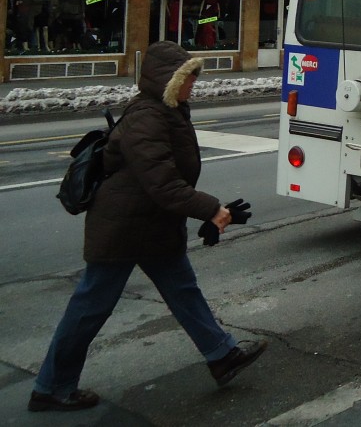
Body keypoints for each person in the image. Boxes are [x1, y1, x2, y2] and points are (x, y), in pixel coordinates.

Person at [28, 41, 266, 412]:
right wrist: (211, 210)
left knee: (183, 290)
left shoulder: (167, 111)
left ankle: (221, 355)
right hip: (123, 228)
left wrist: (206, 210)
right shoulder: (147, 118)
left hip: (151, 225)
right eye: (188, 78)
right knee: (90, 307)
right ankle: (52, 386)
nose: (193, 85)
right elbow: (163, 183)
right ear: (168, 80)